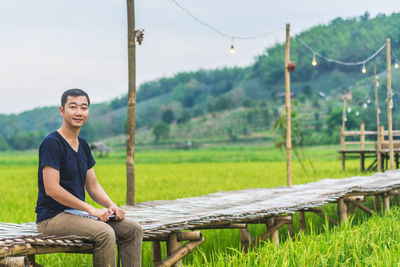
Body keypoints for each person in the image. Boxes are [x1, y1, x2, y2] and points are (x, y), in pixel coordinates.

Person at [35, 88, 142, 267]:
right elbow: (52, 189)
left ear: (88, 112)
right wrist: (90, 209)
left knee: (133, 229)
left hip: (77, 214)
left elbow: (92, 185)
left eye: (84, 108)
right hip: (53, 217)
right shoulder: (52, 143)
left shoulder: (83, 145)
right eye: (73, 107)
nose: (79, 112)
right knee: (105, 233)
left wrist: (111, 205)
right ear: (62, 110)